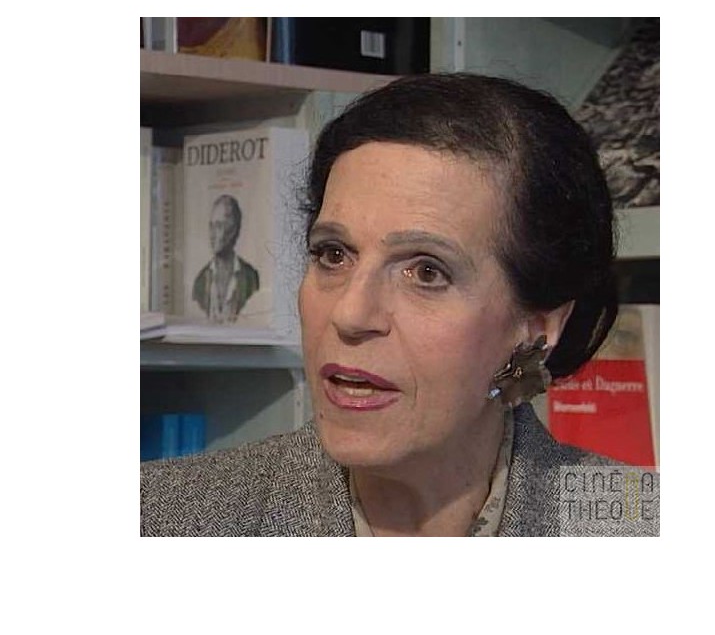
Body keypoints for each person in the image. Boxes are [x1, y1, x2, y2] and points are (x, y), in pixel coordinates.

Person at [142, 73, 658, 536]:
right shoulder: (158, 519)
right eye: (333, 254)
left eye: (426, 272)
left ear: (537, 328)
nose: (350, 314)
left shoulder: (641, 528)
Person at [191, 194, 260, 323]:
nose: (212, 234)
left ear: (233, 230)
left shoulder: (250, 277)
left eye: (218, 226)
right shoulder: (200, 281)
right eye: (211, 226)